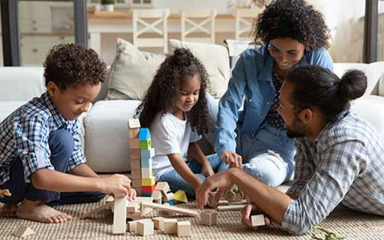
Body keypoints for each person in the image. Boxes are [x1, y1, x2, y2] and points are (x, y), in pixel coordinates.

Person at [196, 65, 384, 235]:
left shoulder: (346, 144)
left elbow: (301, 219)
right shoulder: (307, 129)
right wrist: (267, 206)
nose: (277, 110)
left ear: (306, 115)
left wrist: (236, 176)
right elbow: (300, 188)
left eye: (282, 105)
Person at [0, 44, 135, 223]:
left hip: (28, 178)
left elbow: (75, 162)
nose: (86, 108)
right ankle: (30, 206)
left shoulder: (66, 112)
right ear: (53, 89)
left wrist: (107, 185)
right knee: (62, 140)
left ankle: (29, 200)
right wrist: (102, 182)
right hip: (7, 183)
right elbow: (41, 177)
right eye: (80, 101)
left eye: (90, 101)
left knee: (95, 191)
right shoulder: (33, 117)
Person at [215, 0, 333, 187]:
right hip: (244, 134)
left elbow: (326, 112)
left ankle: (221, 173)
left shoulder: (318, 59)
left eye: (292, 52)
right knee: (201, 102)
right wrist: (226, 147)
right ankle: (218, 168)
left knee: (265, 176)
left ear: (307, 45)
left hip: (280, 150)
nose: (283, 59)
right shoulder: (250, 60)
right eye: (275, 49)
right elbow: (229, 104)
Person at [135, 48, 228, 198]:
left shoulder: (188, 112)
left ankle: (221, 181)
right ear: (170, 91)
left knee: (225, 158)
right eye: (184, 93)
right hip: (165, 172)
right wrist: (201, 186)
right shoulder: (164, 121)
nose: (190, 98)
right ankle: (221, 183)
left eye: (195, 93)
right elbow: (176, 160)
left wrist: (205, 163)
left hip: (186, 165)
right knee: (206, 183)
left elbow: (191, 145)